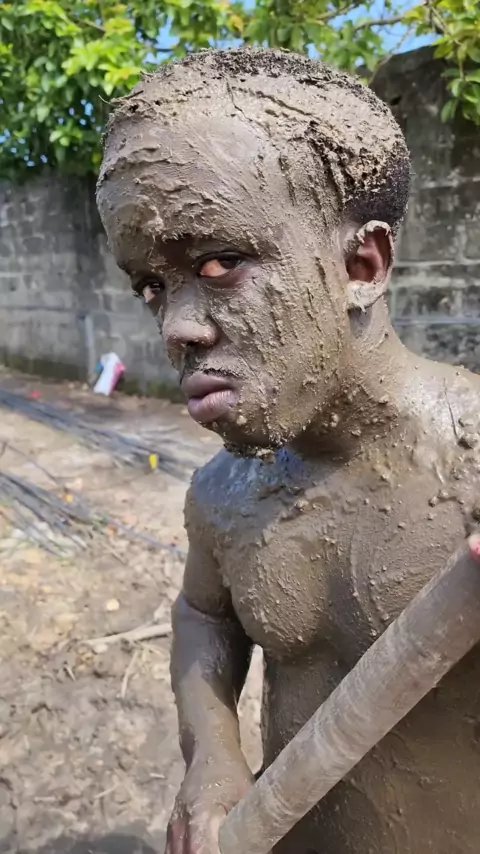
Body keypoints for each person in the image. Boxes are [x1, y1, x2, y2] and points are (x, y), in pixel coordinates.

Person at [97, 48, 480, 854]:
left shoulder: (471, 460)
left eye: (219, 264)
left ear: (361, 265)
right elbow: (203, 613)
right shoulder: (224, 493)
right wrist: (213, 754)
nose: (175, 327)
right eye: (152, 286)